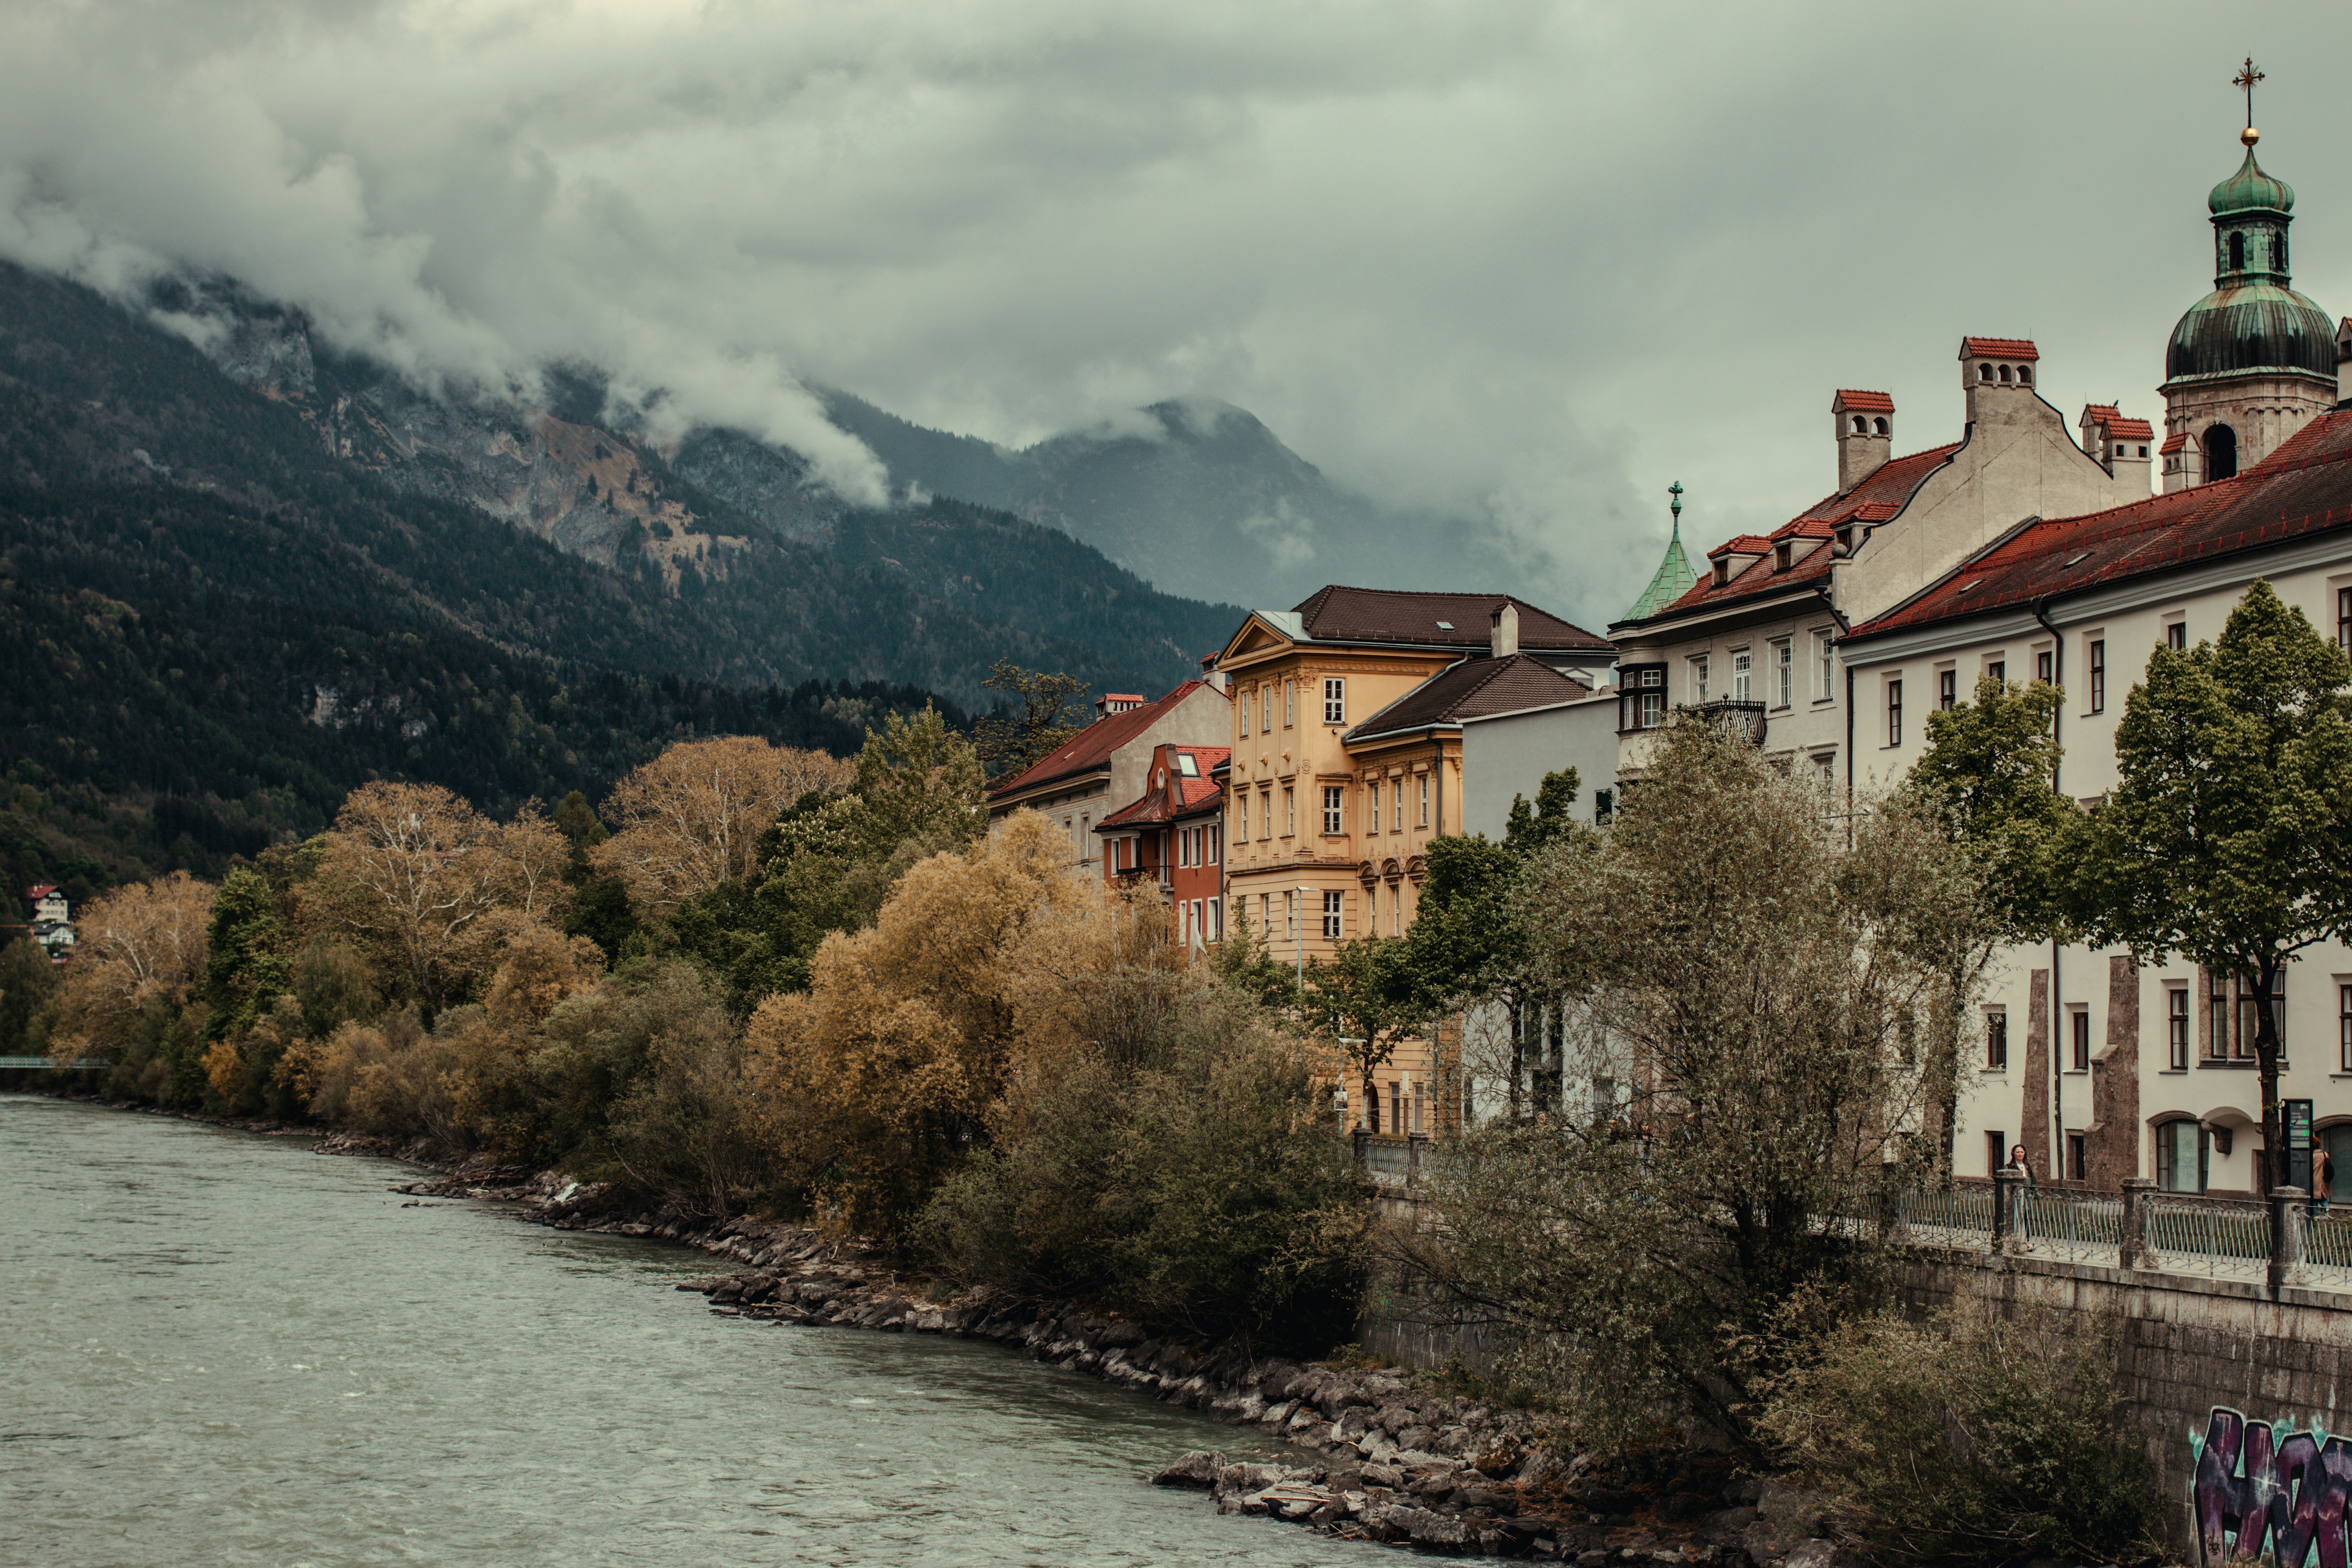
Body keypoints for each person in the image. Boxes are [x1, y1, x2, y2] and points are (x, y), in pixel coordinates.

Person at [2007, 1143, 2037, 1252]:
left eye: (2022, 1152)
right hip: (2014, 1197)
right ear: (2014, 1154)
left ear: (2025, 1154)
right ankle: (2014, 1242)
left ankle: (2026, 1242)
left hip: (2026, 1197)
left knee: (2025, 1218)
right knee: (2014, 1219)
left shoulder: (2028, 1168)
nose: (2020, 1154)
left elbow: (2034, 1183)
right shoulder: (2009, 1167)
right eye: (2017, 1152)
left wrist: (2035, 1194)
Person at [2318, 1146, 2336, 1215]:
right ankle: (2327, 1215)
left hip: (2313, 1183)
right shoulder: (2324, 1155)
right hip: (2323, 1182)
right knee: (2323, 1199)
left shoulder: (2311, 1155)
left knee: (2313, 1204)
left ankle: (2314, 1221)